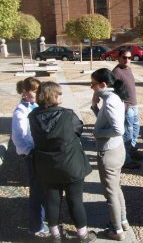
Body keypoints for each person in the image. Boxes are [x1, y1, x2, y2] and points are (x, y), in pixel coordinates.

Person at [28, 81, 94, 243]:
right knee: (75, 200)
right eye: (58, 93)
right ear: (52, 95)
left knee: (52, 201)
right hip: (70, 164)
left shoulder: (33, 116)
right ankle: (82, 235)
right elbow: (78, 130)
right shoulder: (68, 114)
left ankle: (55, 236)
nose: (61, 96)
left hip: (46, 165)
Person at [90, 68, 130, 241]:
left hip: (110, 152)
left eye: (92, 84)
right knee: (116, 188)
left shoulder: (111, 100)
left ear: (103, 84)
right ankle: (123, 221)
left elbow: (118, 129)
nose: (91, 87)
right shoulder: (111, 98)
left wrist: (97, 133)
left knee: (110, 193)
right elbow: (106, 119)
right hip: (115, 149)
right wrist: (94, 107)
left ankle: (117, 230)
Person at [11, 77, 49, 238]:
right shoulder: (21, 111)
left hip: (41, 154)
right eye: (35, 91)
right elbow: (19, 137)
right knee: (37, 191)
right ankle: (36, 226)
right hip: (33, 156)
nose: (39, 94)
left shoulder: (36, 106)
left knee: (44, 189)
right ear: (25, 93)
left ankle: (42, 219)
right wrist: (31, 151)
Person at [113, 49, 142, 170]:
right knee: (128, 133)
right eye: (124, 57)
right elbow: (113, 92)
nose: (127, 60)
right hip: (127, 106)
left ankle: (132, 150)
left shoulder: (128, 69)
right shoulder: (116, 72)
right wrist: (123, 105)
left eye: (129, 58)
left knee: (136, 129)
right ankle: (126, 159)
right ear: (119, 58)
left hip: (134, 105)